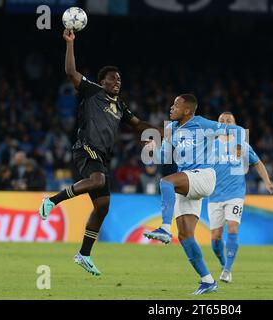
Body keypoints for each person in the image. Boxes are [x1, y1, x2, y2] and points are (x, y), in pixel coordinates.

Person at [38, 29, 161, 276]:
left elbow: (138, 125)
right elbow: (70, 72)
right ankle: (52, 201)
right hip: (85, 148)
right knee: (99, 180)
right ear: (102, 80)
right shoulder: (93, 91)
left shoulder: (120, 106)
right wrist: (70, 43)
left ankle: (83, 254)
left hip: (101, 156)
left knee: (103, 205)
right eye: (113, 79)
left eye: (119, 80)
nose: (117, 82)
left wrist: (162, 131)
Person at [143, 94, 245, 294]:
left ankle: (164, 228)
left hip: (204, 176)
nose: (171, 108)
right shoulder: (171, 129)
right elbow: (164, 157)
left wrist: (238, 145)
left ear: (187, 110)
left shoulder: (202, 124)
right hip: (188, 182)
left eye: (176, 105)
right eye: (172, 104)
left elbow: (238, 130)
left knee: (166, 182)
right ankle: (207, 281)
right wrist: (152, 150)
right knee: (185, 235)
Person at [208, 112, 273, 283]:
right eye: (222, 121)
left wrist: (267, 182)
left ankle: (227, 270)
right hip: (214, 196)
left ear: (235, 124)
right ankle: (224, 263)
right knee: (216, 238)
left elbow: (257, 163)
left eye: (229, 121)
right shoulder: (209, 146)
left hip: (235, 194)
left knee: (232, 228)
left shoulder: (242, 145)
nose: (225, 123)